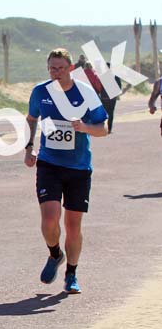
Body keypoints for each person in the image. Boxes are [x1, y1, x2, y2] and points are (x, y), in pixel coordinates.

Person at [24, 48, 108, 294]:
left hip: (78, 167)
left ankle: (71, 274)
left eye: (61, 68)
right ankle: (55, 254)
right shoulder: (41, 91)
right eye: (52, 68)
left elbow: (103, 128)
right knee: (49, 219)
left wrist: (84, 127)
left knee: (73, 225)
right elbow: (31, 119)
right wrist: (29, 147)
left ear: (70, 68)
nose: (56, 72)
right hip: (49, 164)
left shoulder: (85, 92)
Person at [99, 62, 121, 133]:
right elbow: (119, 85)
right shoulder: (115, 75)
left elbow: (98, 85)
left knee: (104, 112)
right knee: (111, 112)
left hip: (104, 97)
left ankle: (103, 128)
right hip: (112, 97)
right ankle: (109, 129)